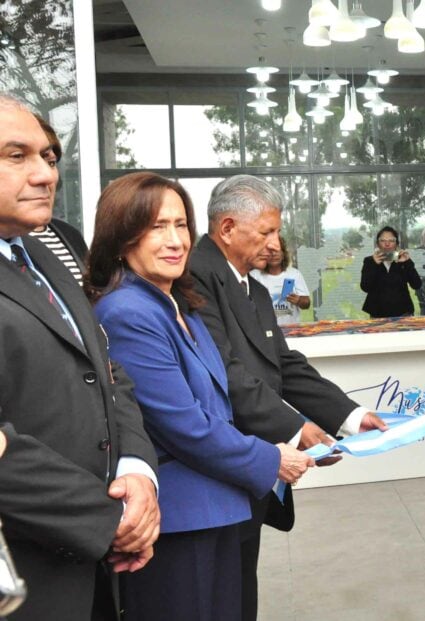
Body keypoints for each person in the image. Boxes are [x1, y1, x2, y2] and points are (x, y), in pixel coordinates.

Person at [88, 172, 313, 620]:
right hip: (179, 521)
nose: (175, 240)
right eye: (156, 227)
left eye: (180, 225)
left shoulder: (178, 302)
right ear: (121, 236)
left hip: (219, 508)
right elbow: (184, 426)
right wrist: (272, 458)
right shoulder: (127, 312)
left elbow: (220, 399)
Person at [188, 175, 387, 621]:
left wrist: (351, 416)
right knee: (220, 593)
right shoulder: (196, 277)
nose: (276, 244)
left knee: (241, 584)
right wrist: (297, 431)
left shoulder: (252, 288)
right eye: (266, 232)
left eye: (276, 231)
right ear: (226, 229)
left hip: (254, 464)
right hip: (222, 463)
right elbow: (226, 373)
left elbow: (284, 364)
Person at [0, 93, 159, 621]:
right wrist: (106, 519)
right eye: (15, 155)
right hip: (22, 578)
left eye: (47, 156)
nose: (46, 175)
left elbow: (105, 372)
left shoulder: (46, 253)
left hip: (90, 572)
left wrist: (137, 472)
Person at [27, 115, 88, 282]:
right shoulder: (11, 246)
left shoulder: (69, 235)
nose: (45, 176)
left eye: (51, 162)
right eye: (17, 157)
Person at [361, 226, 422, 318]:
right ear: (377, 244)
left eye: (391, 240)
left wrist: (407, 262)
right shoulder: (369, 261)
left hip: (403, 312)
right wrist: (374, 265)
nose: (387, 244)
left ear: (397, 244)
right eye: (383, 240)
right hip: (377, 314)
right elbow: (365, 287)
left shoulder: (403, 260)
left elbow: (417, 284)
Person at [250, 236, 310, 325]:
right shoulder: (254, 275)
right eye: (270, 251)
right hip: (264, 331)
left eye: (277, 250)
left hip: (291, 330)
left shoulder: (294, 274)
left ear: (283, 254)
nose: (274, 254)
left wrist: (298, 300)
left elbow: (307, 303)